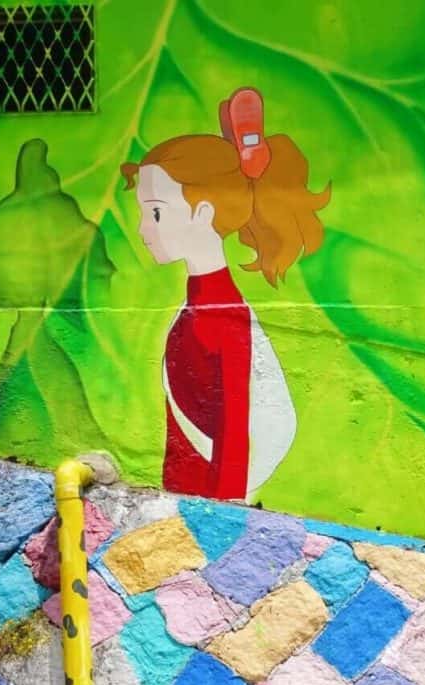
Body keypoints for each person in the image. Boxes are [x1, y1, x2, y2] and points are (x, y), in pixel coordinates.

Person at [120, 87, 330, 502]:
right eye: (145, 212)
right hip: (183, 507)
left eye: (157, 211)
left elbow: (235, 437)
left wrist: (220, 524)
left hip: (209, 519)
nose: (145, 228)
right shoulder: (197, 308)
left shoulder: (222, 316)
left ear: (203, 212)